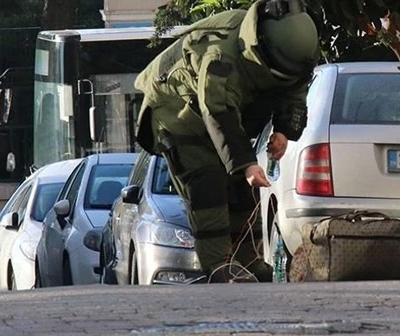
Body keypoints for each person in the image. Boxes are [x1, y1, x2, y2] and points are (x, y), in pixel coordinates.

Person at [133, 0, 320, 283]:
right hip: (177, 113)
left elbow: (295, 90)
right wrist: (246, 163)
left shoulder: (294, 55)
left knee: (241, 192)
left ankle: (249, 261)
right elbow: (218, 112)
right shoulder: (221, 57)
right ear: (263, 52)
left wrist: (283, 131)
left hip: (218, 114)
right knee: (207, 186)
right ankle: (219, 266)